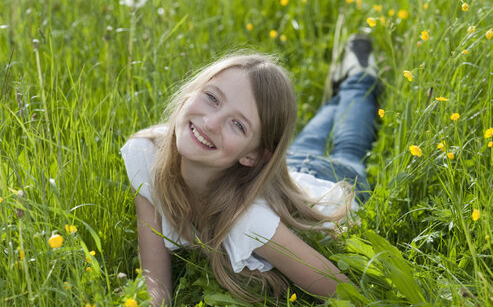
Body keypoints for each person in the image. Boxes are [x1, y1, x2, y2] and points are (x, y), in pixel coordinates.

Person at [121, 34, 380, 306]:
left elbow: (348, 294)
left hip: (333, 181)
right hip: (290, 167)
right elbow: (156, 284)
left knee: (350, 144)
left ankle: (360, 78)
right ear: (191, 92)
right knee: (316, 136)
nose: (210, 123)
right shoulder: (147, 153)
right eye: (212, 98)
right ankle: (342, 92)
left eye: (238, 124)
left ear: (253, 156)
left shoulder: (248, 221)